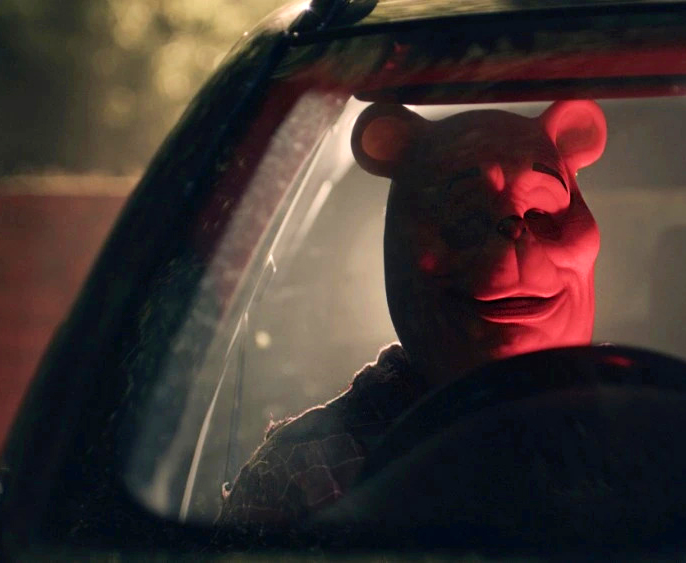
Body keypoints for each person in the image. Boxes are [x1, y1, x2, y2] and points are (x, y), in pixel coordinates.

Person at [214, 99, 607, 532]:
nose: (514, 230)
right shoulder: (310, 473)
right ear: (399, 248)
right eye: (466, 218)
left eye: (543, 213)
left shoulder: (643, 423)